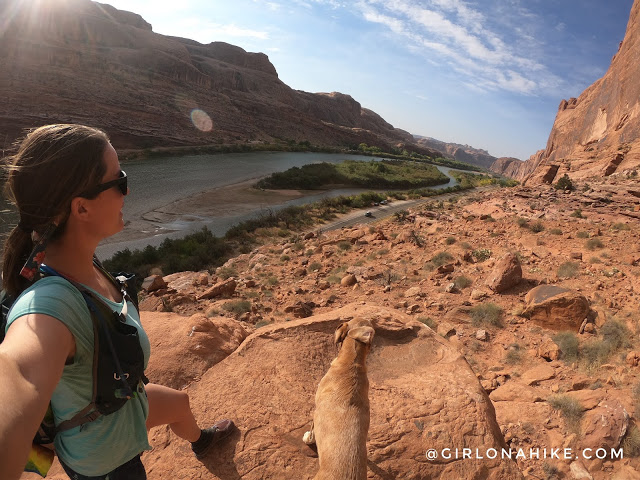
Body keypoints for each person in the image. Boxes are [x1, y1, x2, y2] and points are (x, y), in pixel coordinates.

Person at [0, 124, 235, 480]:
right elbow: (16, 377)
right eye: (120, 180)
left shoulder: (83, 263)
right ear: (81, 208)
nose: (129, 190)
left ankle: (201, 441)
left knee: (180, 403)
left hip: (125, 403)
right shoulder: (49, 308)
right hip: (105, 460)